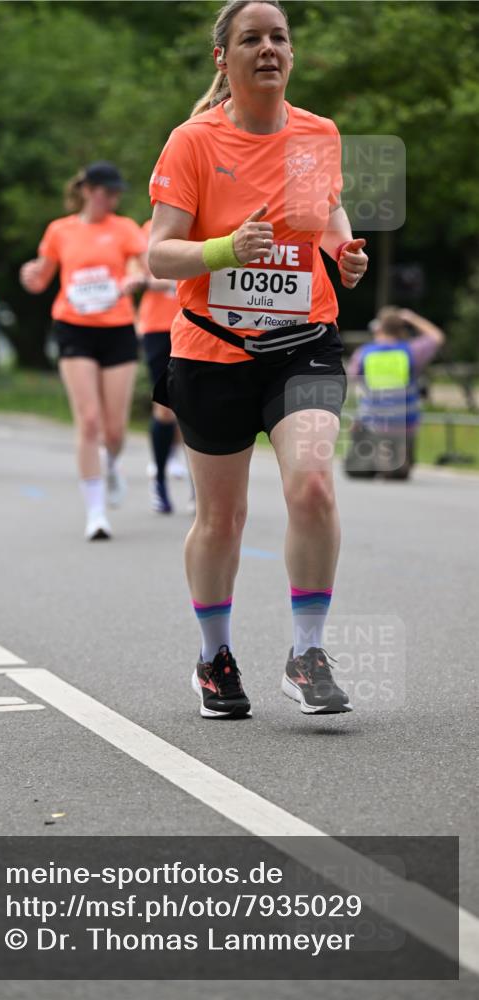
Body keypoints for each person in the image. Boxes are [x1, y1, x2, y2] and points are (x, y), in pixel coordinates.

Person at [148, 0, 368, 718]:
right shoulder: (192, 143)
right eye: (251, 38)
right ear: (224, 57)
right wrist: (224, 250)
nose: (268, 48)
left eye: (279, 37)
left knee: (313, 487)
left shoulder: (318, 134)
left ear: (291, 54)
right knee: (223, 518)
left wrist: (342, 250)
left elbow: (324, 213)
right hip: (213, 350)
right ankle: (214, 658)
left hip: (302, 344)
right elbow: (158, 254)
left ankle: (307, 653)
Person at [20, 161, 147, 540]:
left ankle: (111, 464)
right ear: (88, 191)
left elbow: (141, 267)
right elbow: (40, 280)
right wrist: (29, 276)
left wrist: (135, 278)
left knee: (115, 431)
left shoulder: (124, 228)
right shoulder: (60, 230)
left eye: (117, 193)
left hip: (117, 329)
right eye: (107, 192)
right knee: (89, 421)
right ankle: (96, 513)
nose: (113, 199)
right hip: (74, 328)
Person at [345, 306, 445, 479]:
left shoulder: (364, 354)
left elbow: (353, 378)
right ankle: (395, 463)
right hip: (403, 425)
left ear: (378, 328)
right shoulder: (411, 352)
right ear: (400, 330)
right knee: (397, 473)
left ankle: (371, 460)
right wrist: (411, 318)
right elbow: (436, 337)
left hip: (372, 423)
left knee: (358, 469)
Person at [138, 218, 181, 513]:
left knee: (196, 408)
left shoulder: (208, 221)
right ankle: (160, 483)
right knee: (165, 408)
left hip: (199, 324)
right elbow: (147, 272)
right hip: (158, 327)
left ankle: (199, 491)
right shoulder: (149, 228)